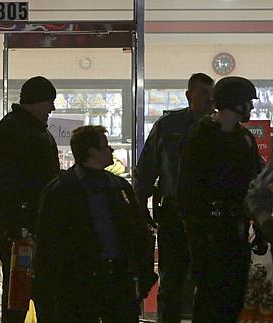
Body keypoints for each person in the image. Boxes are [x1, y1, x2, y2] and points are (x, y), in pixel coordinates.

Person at [34, 125, 157, 322]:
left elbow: (137, 232)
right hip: (79, 283)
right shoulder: (61, 191)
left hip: (117, 280)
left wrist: (143, 275)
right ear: (92, 152)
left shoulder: (118, 187)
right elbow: (49, 245)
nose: (111, 150)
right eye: (106, 146)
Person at [177, 76, 263, 322]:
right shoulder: (200, 136)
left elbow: (253, 185)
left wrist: (258, 225)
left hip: (236, 229)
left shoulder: (244, 139)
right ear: (234, 103)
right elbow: (188, 192)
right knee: (209, 299)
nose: (252, 108)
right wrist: (197, 234)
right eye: (248, 102)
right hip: (208, 231)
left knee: (234, 297)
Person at [133, 73, 214, 322]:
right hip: (173, 213)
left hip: (210, 215)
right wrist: (139, 208)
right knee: (172, 281)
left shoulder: (220, 128)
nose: (209, 100)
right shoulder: (168, 126)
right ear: (189, 95)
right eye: (203, 93)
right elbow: (147, 170)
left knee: (208, 282)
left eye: (212, 95)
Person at [0, 76, 61, 323]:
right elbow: (11, 183)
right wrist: (21, 225)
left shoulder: (18, 128)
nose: (52, 108)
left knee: (20, 292)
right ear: (36, 101)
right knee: (23, 292)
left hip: (24, 225)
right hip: (25, 227)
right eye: (49, 102)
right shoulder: (19, 131)